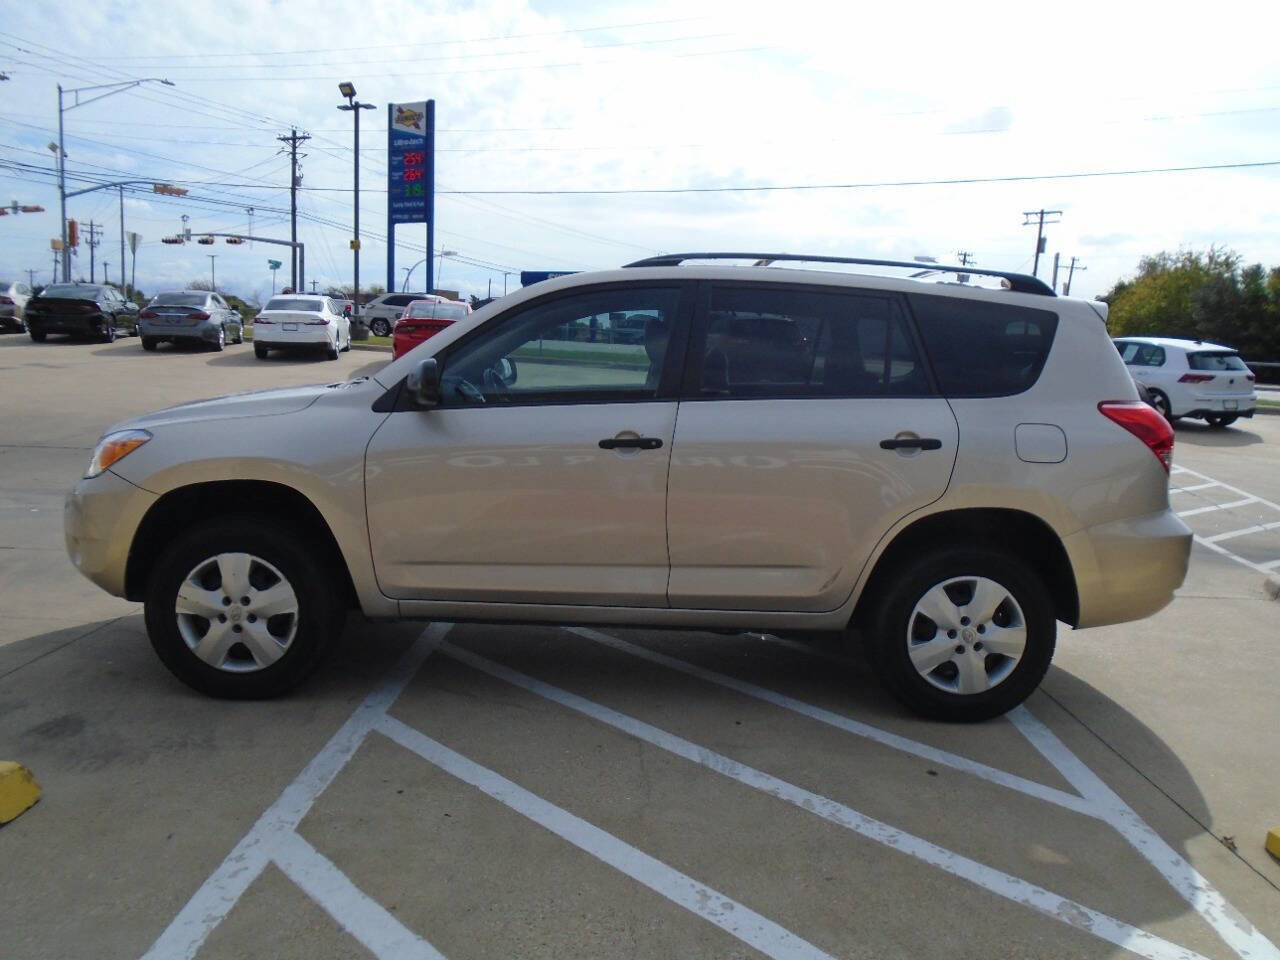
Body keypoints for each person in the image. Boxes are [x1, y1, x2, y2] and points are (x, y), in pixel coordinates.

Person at [642, 315, 668, 388]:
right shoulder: (655, 364)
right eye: (645, 339)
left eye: (651, 339)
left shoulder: (665, 369)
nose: (646, 345)